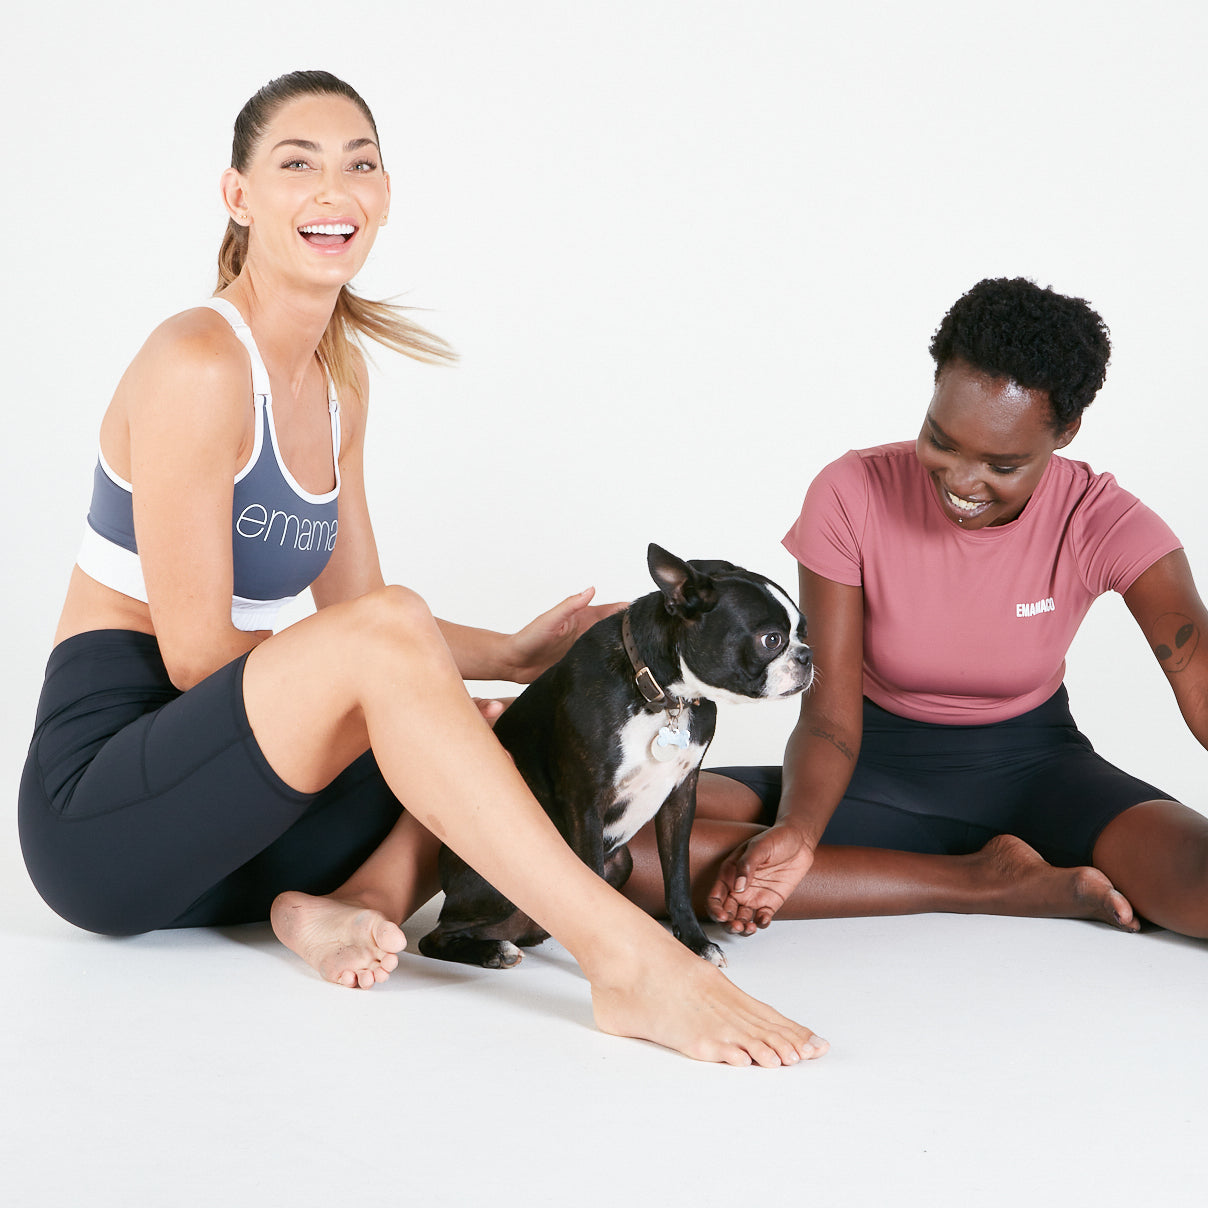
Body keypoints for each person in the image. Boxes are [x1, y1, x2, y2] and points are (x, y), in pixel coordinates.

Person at [17, 70, 827, 1068]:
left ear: (385, 195)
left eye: (358, 163)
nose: (333, 189)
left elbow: (359, 619)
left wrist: (514, 651)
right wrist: (385, 686)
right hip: (112, 818)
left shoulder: (336, 383)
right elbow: (197, 660)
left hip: (235, 836)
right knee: (419, 694)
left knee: (472, 732)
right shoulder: (197, 360)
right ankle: (627, 958)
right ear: (238, 195)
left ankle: (343, 904)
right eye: (296, 164)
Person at [622, 277, 1208, 941]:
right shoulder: (853, 492)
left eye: (1002, 463)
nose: (961, 481)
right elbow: (830, 714)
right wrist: (801, 832)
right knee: (610, 843)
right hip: (866, 767)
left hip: (1041, 774)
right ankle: (980, 881)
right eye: (944, 440)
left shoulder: (1103, 520)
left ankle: (958, 868)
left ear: (1066, 431)